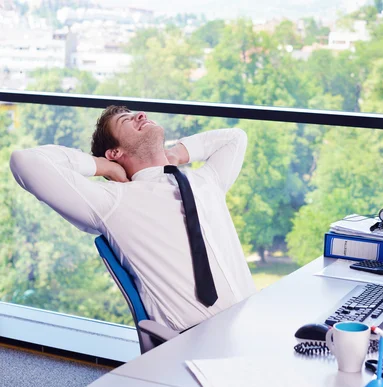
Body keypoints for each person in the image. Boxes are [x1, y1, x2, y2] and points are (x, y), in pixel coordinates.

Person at [9, 105, 256, 331]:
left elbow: (235, 138)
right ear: (115, 152)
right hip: (198, 340)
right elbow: (25, 161)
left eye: (138, 114)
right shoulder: (112, 202)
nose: (141, 115)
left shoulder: (206, 180)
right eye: (127, 120)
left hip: (254, 317)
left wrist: (176, 154)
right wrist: (101, 166)